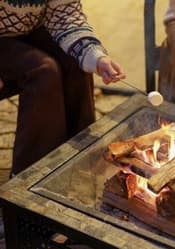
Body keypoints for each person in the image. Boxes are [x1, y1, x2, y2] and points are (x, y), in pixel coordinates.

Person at [0, 0, 126, 176]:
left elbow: (65, 15)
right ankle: (30, 175)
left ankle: (79, 157)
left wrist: (95, 57)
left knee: (77, 60)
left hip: (27, 31)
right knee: (44, 71)